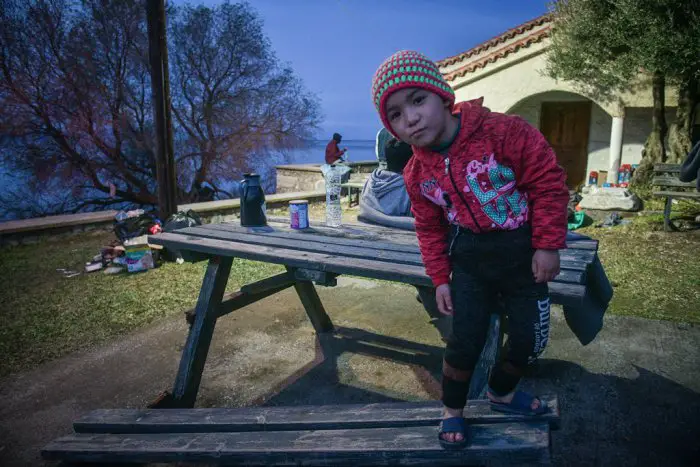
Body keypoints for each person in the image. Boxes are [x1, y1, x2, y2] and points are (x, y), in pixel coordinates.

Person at [371, 50, 569, 449]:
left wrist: (548, 244)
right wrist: (440, 278)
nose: (409, 118)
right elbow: (428, 227)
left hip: (521, 255)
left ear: (442, 96)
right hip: (470, 263)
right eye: (394, 114)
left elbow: (548, 182)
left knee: (531, 340)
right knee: (464, 340)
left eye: (416, 100)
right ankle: (452, 411)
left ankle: (501, 392)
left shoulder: (504, 132)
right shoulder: (415, 173)